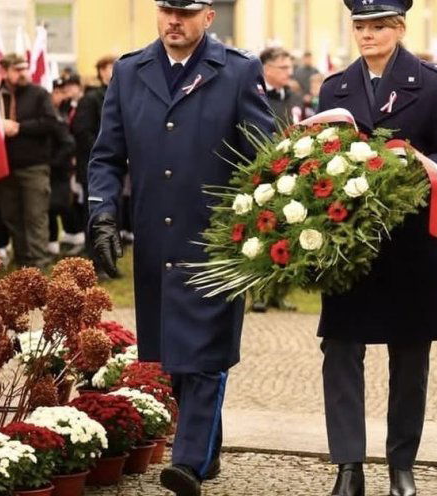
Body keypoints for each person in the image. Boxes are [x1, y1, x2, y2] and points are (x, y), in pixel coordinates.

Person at [86, 1, 275, 494]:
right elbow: (106, 155)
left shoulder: (236, 70)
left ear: (208, 17)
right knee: (172, 354)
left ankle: (187, 462)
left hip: (217, 238)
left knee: (205, 353)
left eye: (186, 13)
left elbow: (263, 152)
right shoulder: (130, 72)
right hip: (155, 238)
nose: (174, 21)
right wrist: (102, 212)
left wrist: (265, 226)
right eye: (167, 10)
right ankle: (206, 447)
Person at [317, 1, 437, 494]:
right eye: (360, 26)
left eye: (378, 25)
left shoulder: (431, 84)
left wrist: (412, 166)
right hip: (349, 246)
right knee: (340, 350)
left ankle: (400, 464)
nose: (367, 34)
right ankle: (348, 466)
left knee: (410, 356)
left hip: (410, 246)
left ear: (400, 28)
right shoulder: (334, 87)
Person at [0, 53, 59, 269]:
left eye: (25, 68)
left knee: (35, 216)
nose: (23, 73)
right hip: (6, 167)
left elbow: (51, 123)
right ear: (5, 71)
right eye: (17, 69)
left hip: (34, 166)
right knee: (11, 216)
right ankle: (23, 260)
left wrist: (20, 127)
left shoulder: (39, 94)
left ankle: (39, 262)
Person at [73, 55, 117, 261]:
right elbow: (82, 132)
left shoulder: (119, 94)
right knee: (94, 212)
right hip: (94, 166)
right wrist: (106, 150)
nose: (112, 72)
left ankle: (109, 257)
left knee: (113, 213)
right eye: (108, 68)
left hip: (116, 167)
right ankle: (94, 259)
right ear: (100, 71)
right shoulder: (91, 99)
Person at [47, 77, 79, 257]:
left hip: (62, 166)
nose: (59, 96)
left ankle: (74, 235)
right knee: (51, 205)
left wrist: (56, 162)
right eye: (56, 92)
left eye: (61, 92)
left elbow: (69, 141)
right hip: (54, 165)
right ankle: (53, 241)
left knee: (65, 203)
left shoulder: (65, 111)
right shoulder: (51, 111)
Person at [261, 46, 306, 125]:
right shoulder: (256, 100)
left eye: (290, 68)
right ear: (267, 69)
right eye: (284, 68)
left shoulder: (296, 97)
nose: (290, 73)